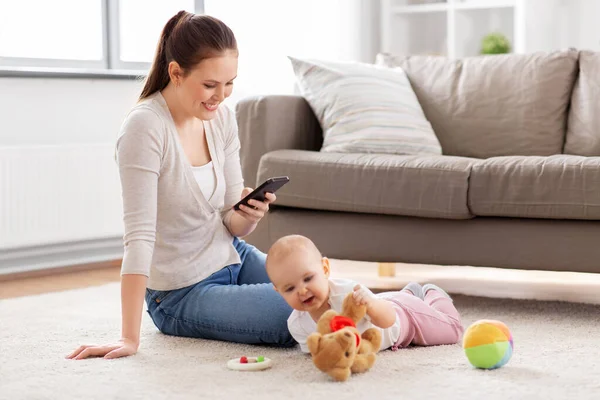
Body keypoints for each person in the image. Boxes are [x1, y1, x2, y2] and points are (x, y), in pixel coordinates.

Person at [67, 11, 295, 360]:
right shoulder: (145, 128)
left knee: (319, 283)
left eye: (229, 83)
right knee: (295, 309)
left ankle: (405, 309)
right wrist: (129, 338)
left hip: (233, 256)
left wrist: (251, 213)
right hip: (181, 292)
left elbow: (232, 225)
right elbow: (139, 236)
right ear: (175, 72)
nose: (221, 96)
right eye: (209, 85)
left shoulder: (222, 119)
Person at [265, 235, 464, 352]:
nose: (302, 290)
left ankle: (432, 293)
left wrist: (371, 304)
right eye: (289, 288)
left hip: (405, 317)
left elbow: (387, 321)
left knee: (453, 331)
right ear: (278, 291)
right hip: (387, 303)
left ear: (325, 269)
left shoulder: (348, 293)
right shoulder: (297, 325)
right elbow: (321, 354)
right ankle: (411, 292)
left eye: (308, 278)